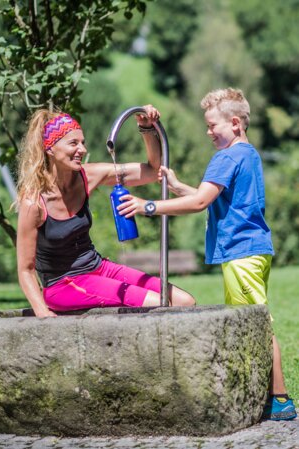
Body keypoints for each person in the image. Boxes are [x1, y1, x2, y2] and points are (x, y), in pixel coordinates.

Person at [118, 88, 297, 421]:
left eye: (213, 125)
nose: (208, 131)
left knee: (258, 325)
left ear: (234, 122)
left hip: (242, 253)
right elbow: (209, 196)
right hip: (253, 251)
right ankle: (264, 394)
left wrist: (148, 206)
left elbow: (200, 202)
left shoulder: (227, 157)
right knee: (250, 322)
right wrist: (177, 186)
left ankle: (281, 400)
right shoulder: (248, 154)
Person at [16, 105, 195, 319]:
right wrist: (42, 313)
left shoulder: (88, 175)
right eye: (73, 143)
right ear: (50, 148)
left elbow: (151, 170)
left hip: (98, 268)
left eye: (82, 142)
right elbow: (26, 269)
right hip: (64, 285)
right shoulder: (34, 202)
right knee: (160, 304)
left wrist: (146, 129)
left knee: (185, 301)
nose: (81, 149)